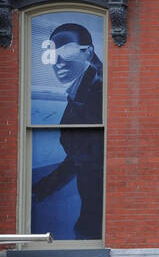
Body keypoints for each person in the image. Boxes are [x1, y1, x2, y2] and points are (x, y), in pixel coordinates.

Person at [31, 23, 104, 239]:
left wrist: (45, 187)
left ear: (88, 53)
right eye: (53, 55)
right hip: (93, 204)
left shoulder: (96, 93)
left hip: (98, 206)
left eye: (68, 51)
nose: (59, 62)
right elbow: (80, 153)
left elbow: (84, 155)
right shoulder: (80, 92)